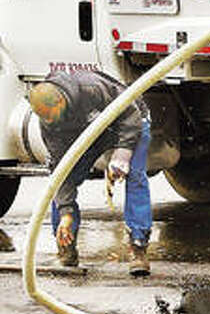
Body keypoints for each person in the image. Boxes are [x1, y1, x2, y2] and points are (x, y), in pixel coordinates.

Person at [28, 70, 153, 275]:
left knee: (135, 176)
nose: (51, 122)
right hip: (89, 133)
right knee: (59, 183)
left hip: (129, 121)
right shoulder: (50, 124)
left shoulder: (91, 89)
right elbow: (61, 172)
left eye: (53, 116)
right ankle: (66, 245)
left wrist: (122, 156)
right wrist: (65, 213)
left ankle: (138, 246)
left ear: (61, 100)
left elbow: (130, 116)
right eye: (46, 119)